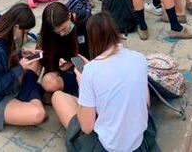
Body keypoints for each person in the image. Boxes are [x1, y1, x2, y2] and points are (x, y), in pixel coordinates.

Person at [51, 12, 159, 152]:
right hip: (139, 142)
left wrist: (83, 85)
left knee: (58, 97)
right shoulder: (139, 58)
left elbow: (87, 127)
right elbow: (146, 104)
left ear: (92, 39)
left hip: (108, 147)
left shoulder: (91, 71)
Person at [0, 3, 47, 131]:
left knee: (37, 59)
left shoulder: (2, 30)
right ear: (16, 26)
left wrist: (21, 53)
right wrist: (19, 69)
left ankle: (29, 94)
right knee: (39, 114)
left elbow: (7, 56)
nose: (26, 36)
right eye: (26, 32)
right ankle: (31, 94)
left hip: (9, 84)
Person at [39, 2, 89, 96]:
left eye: (64, 29)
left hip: (85, 65)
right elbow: (47, 52)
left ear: (69, 16)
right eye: (57, 32)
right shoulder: (50, 30)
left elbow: (94, 53)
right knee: (49, 82)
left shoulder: (86, 22)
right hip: (65, 67)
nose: (62, 34)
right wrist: (65, 62)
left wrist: (74, 62)